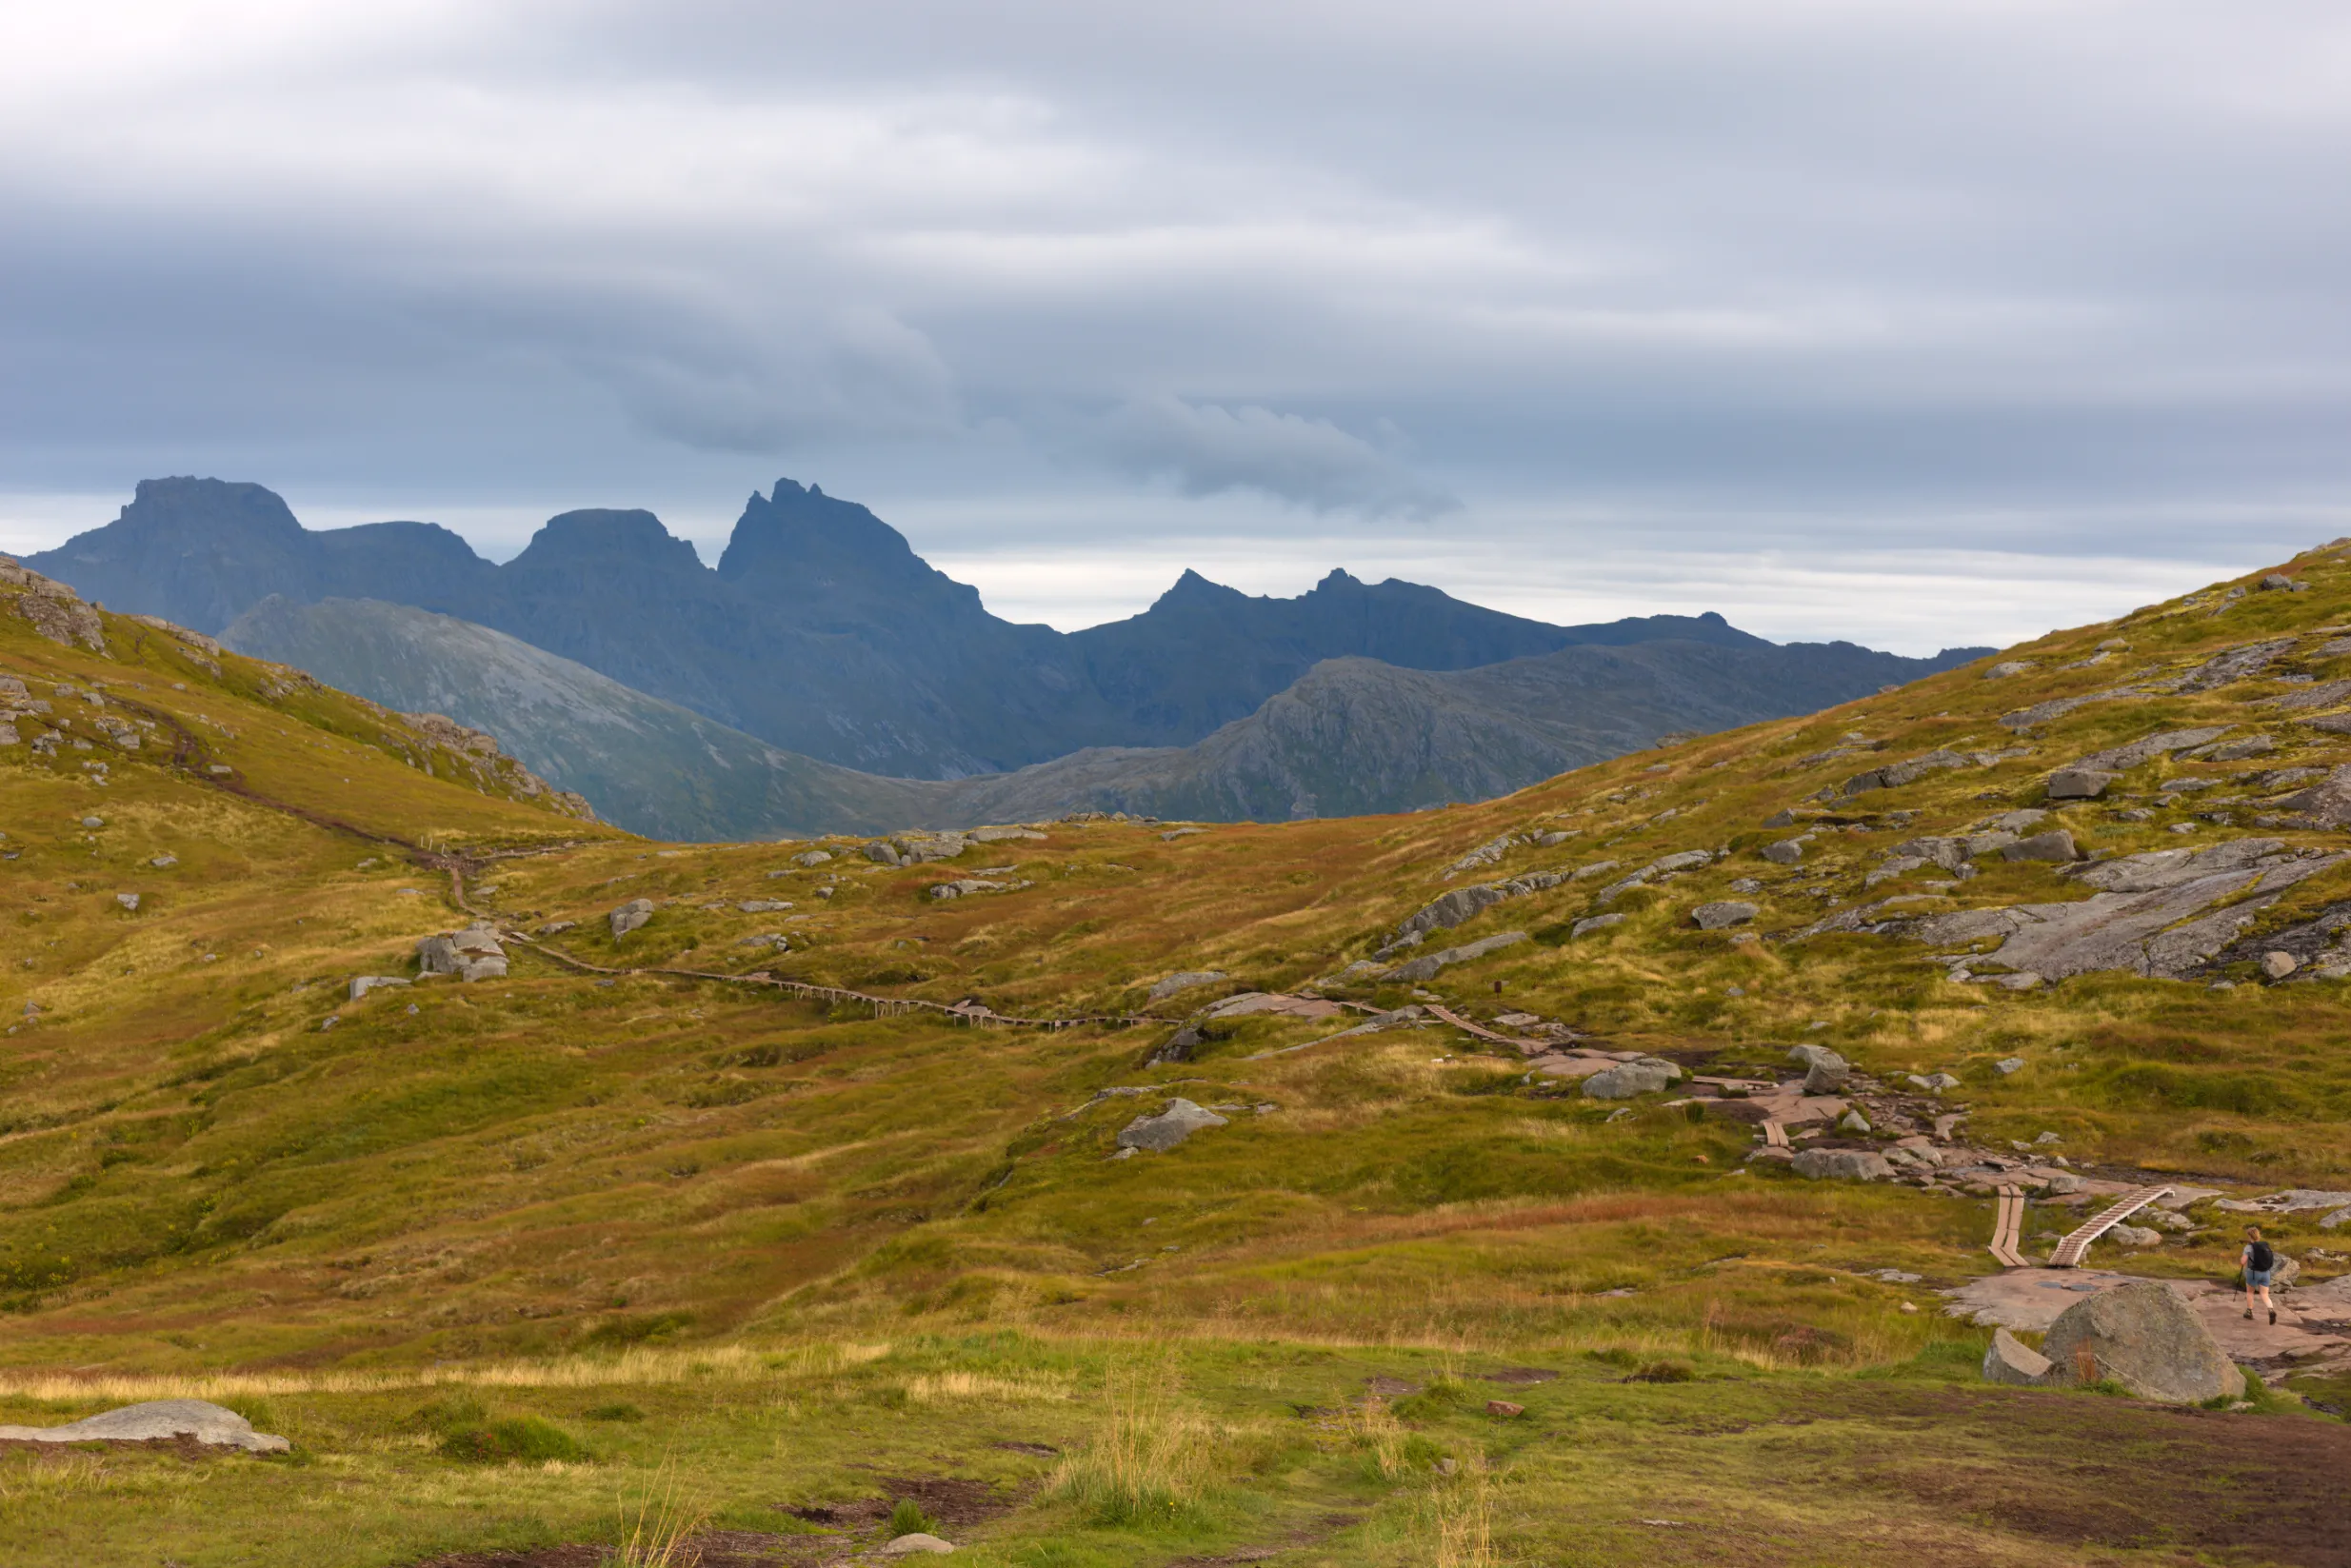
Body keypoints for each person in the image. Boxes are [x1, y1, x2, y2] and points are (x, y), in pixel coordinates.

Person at [2241, 1225, 2277, 1325]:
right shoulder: (2265, 1245)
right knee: (2265, 1294)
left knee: (2250, 1292)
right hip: (2265, 1272)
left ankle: (2249, 1312)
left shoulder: (2249, 1247)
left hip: (2253, 1272)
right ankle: (2270, 1310)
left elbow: (2243, 1261)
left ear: (2250, 1236)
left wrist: (2244, 1261)